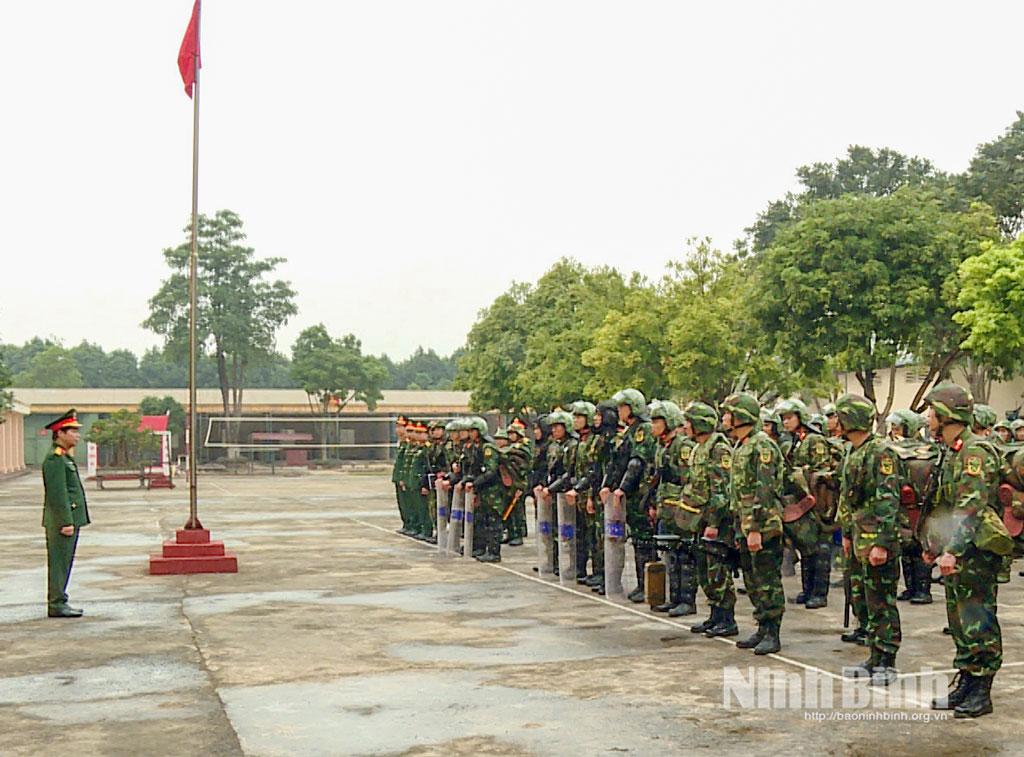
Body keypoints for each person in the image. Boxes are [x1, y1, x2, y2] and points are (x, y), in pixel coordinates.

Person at [923, 382, 1012, 718]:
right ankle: (966, 680)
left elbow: (970, 507)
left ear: (946, 415)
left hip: (975, 551)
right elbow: (945, 506)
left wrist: (954, 550)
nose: (929, 417)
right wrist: (936, 545)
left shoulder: (974, 453)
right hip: (960, 550)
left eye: (933, 411)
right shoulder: (953, 451)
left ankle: (982, 690)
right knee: (960, 619)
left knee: (978, 619)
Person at [835, 394, 902, 686]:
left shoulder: (881, 453)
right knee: (863, 599)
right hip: (859, 539)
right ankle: (874, 657)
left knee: (882, 602)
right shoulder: (853, 450)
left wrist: (882, 543)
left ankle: (887, 660)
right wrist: (848, 535)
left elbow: (888, 502)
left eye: (840, 417)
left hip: (876, 541)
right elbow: (849, 500)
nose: (835, 423)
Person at [722, 392, 785, 655]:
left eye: (728, 413)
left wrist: (756, 528)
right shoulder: (741, 444)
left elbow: (765, 490)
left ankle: (773, 632)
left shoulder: (762, 446)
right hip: (744, 524)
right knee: (751, 578)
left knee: (767, 579)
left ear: (741, 416)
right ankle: (762, 626)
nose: (724, 418)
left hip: (763, 525)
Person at [683, 401, 738, 637]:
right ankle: (714, 614)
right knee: (704, 570)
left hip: (717, 521)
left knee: (718, 569)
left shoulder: (719, 449)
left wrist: (714, 523)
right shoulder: (698, 448)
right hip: (699, 518)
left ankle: (727, 618)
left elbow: (721, 490)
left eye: (689, 422)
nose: (685, 426)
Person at [601, 389, 657, 603]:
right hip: (632, 496)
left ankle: (648, 585)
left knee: (644, 541)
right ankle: (642, 584)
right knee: (638, 541)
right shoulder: (628, 431)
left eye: (623, 407)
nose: (619, 411)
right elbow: (617, 463)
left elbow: (636, 463)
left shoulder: (642, 430)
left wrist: (622, 488)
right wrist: (609, 485)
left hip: (641, 493)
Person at [42, 409, 90, 618]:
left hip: (68, 519)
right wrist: (65, 521)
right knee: (59, 563)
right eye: (73, 431)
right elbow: (57, 493)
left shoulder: (64, 458)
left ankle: (60, 600)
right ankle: (56, 603)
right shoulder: (55, 459)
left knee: (65, 562)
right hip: (62, 521)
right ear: (60, 433)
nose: (77, 435)